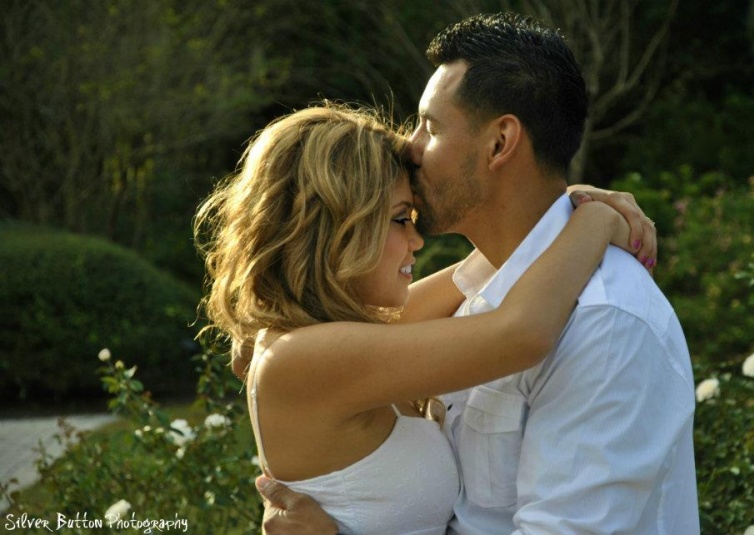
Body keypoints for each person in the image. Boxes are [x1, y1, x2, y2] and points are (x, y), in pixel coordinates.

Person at [255, 12, 700, 535]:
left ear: (499, 143)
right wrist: (590, 217)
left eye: (430, 126)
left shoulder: (603, 322)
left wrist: (582, 216)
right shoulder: (480, 306)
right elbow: (514, 328)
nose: (410, 147)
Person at [194, 99, 653, 535]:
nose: (417, 241)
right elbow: (520, 334)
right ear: (333, 228)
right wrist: (594, 222)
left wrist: (562, 209)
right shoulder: (303, 356)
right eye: (399, 220)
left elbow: (475, 274)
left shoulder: (323, 337)